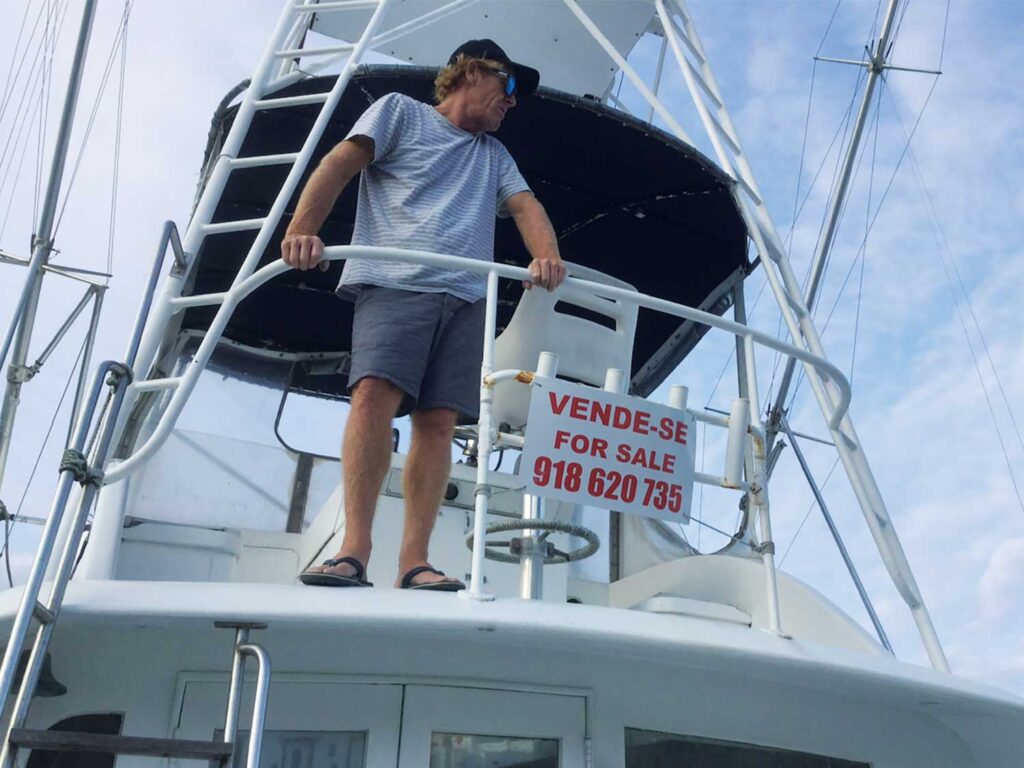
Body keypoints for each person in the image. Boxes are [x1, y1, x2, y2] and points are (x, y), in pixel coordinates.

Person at [281, 39, 565, 591]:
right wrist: (301, 229)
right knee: (373, 399)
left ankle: (414, 561)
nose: (513, 102)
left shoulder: (494, 155)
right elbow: (340, 163)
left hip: (466, 299)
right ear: (472, 72)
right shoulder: (398, 112)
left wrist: (546, 256)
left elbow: (526, 205)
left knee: (437, 424)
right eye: (508, 86)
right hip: (396, 281)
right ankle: (354, 550)